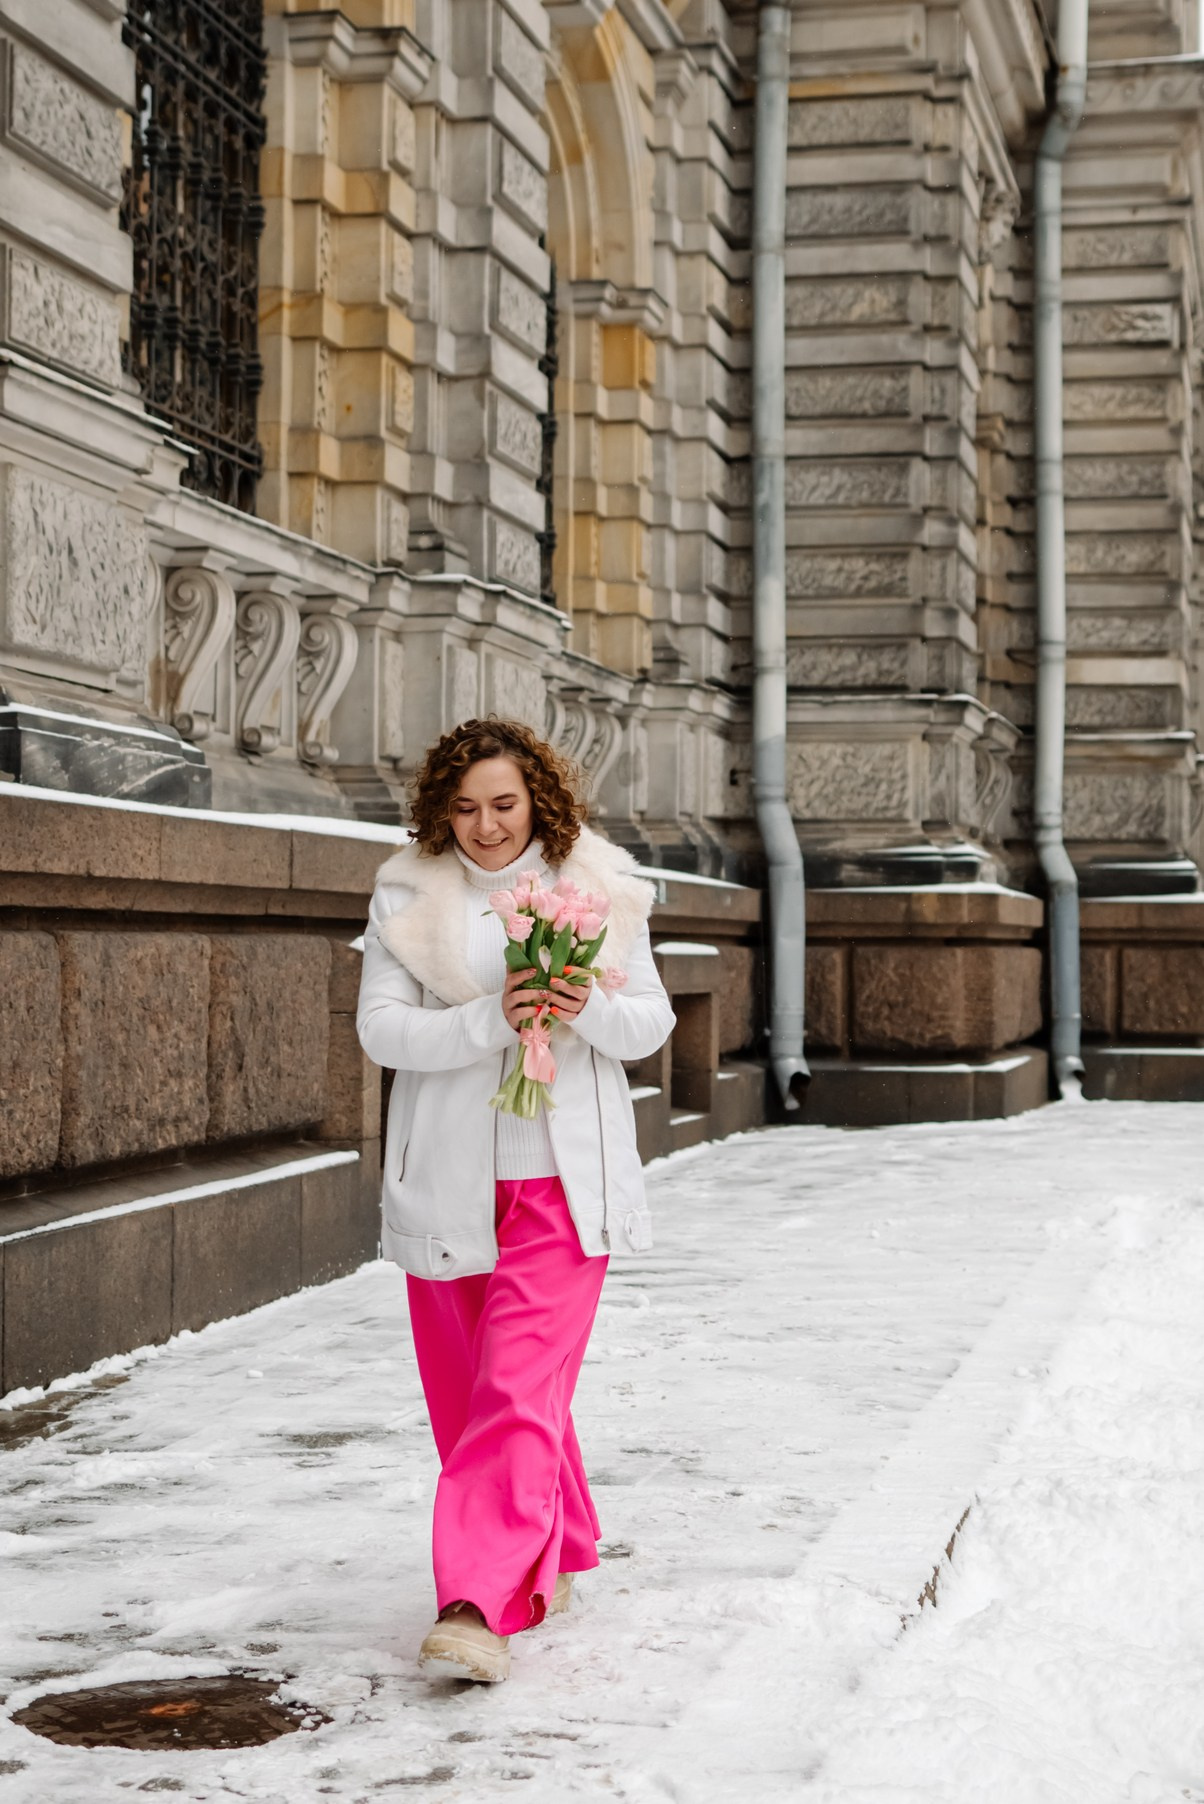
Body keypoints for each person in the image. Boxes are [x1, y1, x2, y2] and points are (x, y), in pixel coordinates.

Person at [355, 716, 675, 1683]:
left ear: (539, 800)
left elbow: (649, 1022)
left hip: (563, 1185)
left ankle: (476, 1602)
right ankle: (560, 1541)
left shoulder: (600, 887)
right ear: (440, 811)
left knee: (514, 1388)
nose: (486, 826)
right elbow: (382, 1032)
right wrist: (491, 1020)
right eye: (464, 808)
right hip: (449, 1180)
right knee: (472, 1395)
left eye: (504, 804)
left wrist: (586, 1006)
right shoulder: (408, 893)